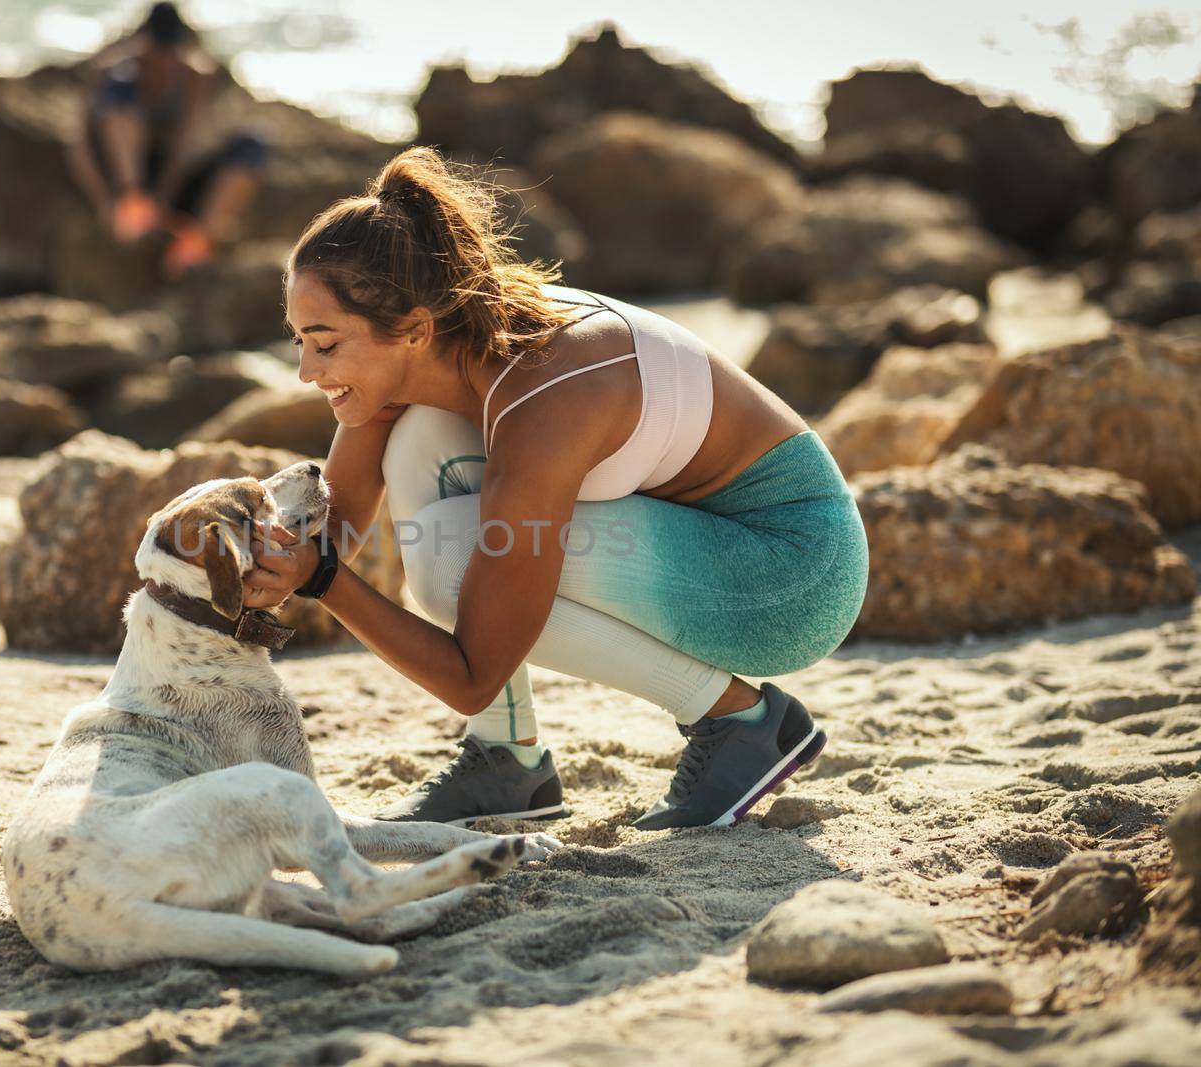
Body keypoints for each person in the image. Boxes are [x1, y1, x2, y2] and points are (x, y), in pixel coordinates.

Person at [243, 147, 869, 830]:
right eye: (299, 341)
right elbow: (335, 519)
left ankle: (742, 721)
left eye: (325, 344)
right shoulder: (452, 333)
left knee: (450, 555)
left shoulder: (543, 405)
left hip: (791, 570)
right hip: (699, 530)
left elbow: (474, 671)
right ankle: (505, 761)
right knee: (422, 439)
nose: (305, 371)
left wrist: (324, 579)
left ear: (414, 329)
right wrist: (273, 564)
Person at [66, 2, 267, 277]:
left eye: (169, 53)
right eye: (155, 52)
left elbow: (183, 149)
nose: (161, 61)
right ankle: (131, 199)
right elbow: (79, 148)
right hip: (122, 173)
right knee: (120, 95)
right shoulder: (112, 72)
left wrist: (161, 198)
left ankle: (197, 241)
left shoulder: (194, 75)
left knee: (252, 146)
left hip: (167, 179)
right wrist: (104, 203)